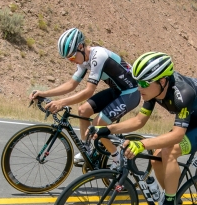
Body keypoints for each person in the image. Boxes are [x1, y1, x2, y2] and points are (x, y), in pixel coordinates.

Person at [92, 52, 197, 205]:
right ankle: (171, 196)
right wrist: (106, 129)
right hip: (192, 119)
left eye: (143, 83)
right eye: (137, 82)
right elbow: (139, 121)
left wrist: (141, 144)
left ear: (162, 81)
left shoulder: (183, 93)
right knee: (156, 158)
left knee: (169, 151)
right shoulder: (154, 90)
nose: (139, 88)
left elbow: (177, 135)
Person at [29, 28, 141, 167]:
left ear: (81, 47)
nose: (71, 61)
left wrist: (61, 102)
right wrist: (43, 93)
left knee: (98, 125)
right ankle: (86, 149)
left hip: (130, 93)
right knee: (83, 110)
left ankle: (118, 159)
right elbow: (71, 84)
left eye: (71, 57)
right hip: (116, 90)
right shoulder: (83, 60)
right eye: (68, 59)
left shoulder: (98, 56)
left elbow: (89, 91)